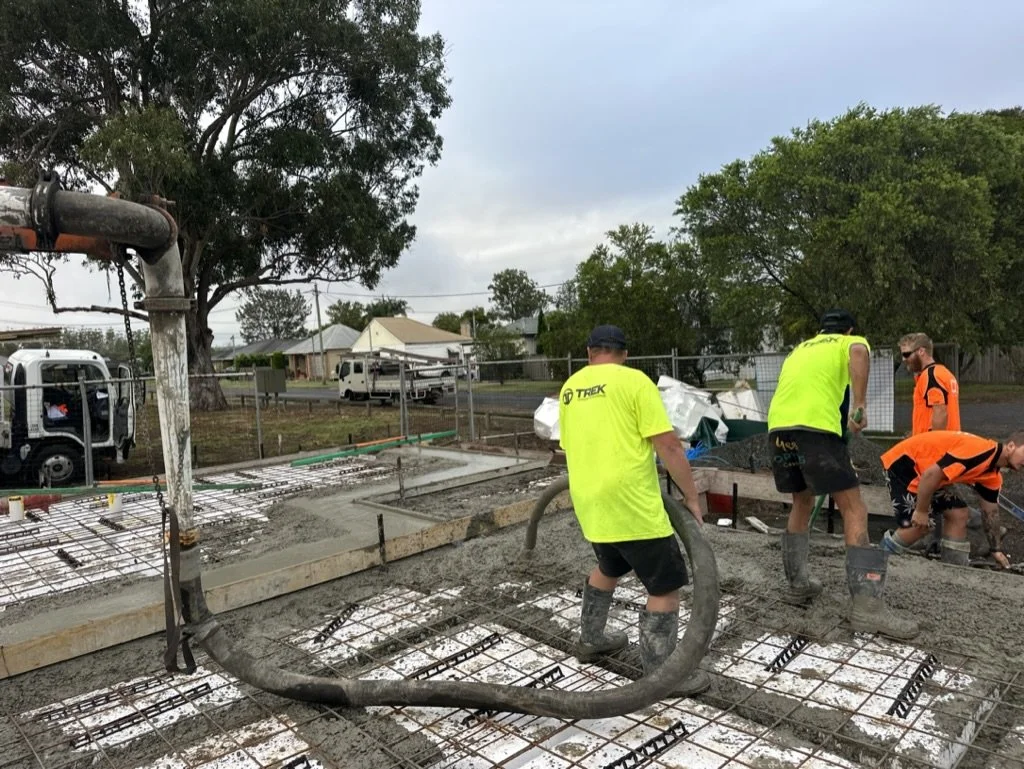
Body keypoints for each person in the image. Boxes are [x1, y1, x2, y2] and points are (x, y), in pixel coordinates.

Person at [558, 324, 710, 696]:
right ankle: (661, 676)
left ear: (590, 351)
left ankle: (591, 639)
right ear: (624, 354)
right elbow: (669, 446)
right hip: (632, 505)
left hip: (591, 503)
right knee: (665, 586)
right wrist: (691, 497)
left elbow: (574, 444)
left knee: (609, 565)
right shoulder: (635, 382)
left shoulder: (569, 390)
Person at [766, 309, 918, 640]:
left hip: (779, 429)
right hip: (816, 430)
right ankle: (867, 608)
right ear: (848, 329)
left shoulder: (802, 348)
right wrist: (859, 407)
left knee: (802, 502)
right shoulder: (849, 341)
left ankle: (797, 585)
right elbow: (859, 353)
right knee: (854, 507)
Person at [879, 430, 1024, 568]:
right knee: (919, 525)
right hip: (905, 463)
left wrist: (995, 549)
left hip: (928, 474)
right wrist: (921, 511)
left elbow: (990, 512)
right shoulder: (979, 451)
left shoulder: (992, 475)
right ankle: (879, 559)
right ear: (1011, 446)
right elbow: (930, 475)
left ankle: (953, 570)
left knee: (959, 513)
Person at [899, 333, 960, 435]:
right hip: (950, 443)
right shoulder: (944, 373)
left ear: (921, 351)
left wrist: (933, 443)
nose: (904, 359)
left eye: (906, 354)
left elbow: (940, 411)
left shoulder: (930, 375)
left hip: (937, 447)